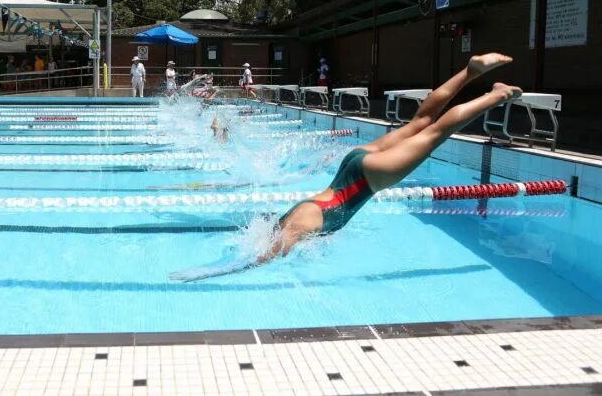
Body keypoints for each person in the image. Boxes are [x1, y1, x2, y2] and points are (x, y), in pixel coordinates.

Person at [171, 53, 521, 281]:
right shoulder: (294, 217)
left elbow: (273, 251)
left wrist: (217, 271)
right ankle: (469, 71)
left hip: (367, 178)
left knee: (435, 132)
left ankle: (496, 95)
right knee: (421, 122)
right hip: (353, 164)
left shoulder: (298, 223)